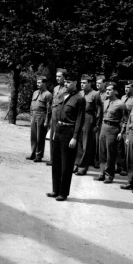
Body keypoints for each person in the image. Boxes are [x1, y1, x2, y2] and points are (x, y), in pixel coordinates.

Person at [46, 71, 85, 201]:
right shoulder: (63, 95)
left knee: (66, 164)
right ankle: (55, 190)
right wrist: (55, 130)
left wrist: (75, 137)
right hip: (59, 129)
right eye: (66, 82)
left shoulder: (79, 99)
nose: (67, 84)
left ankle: (63, 193)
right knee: (56, 162)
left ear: (75, 83)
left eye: (69, 82)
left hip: (69, 131)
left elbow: (79, 120)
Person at [94, 81, 127, 183]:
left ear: (115, 91)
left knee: (110, 153)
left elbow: (125, 120)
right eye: (107, 90)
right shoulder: (105, 102)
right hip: (103, 127)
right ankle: (102, 173)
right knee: (102, 152)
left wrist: (121, 132)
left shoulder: (121, 104)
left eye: (110, 90)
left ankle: (109, 175)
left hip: (113, 128)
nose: (107, 91)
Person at [74, 74, 102, 175]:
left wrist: (97, 125)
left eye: (84, 83)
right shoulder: (79, 93)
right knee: (78, 144)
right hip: (79, 119)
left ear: (90, 83)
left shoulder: (95, 94)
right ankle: (76, 164)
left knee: (86, 145)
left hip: (89, 119)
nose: (82, 85)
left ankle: (83, 167)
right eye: (81, 83)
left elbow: (99, 110)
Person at [26, 76, 52, 162]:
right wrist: (31, 116)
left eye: (40, 82)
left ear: (44, 83)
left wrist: (47, 121)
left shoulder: (48, 94)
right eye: (37, 82)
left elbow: (49, 109)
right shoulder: (35, 92)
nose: (38, 84)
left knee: (40, 137)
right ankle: (33, 153)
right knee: (33, 136)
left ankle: (39, 155)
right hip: (34, 115)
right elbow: (31, 105)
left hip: (42, 115)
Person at [46, 68, 67, 166]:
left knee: (60, 139)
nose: (57, 78)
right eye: (56, 76)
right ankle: (52, 159)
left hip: (61, 116)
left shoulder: (67, 89)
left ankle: (60, 160)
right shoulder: (55, 88)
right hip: (53, 115)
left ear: (64, 77)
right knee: (52, 137)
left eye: (59, 76)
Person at [117, 80, 133, 176]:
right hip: (120, 123)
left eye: (128, 87)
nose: (126, 89)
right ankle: (119, 166)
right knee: (119, 146)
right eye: (125, 87)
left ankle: (126, 168)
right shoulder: (123, 97)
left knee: (127, 148)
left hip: (130, 125)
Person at [93, 75, 108, 169]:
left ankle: (98, 161)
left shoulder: (107, 94)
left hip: (101, 120)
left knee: (99, 141)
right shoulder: (95, 93)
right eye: (97, 83)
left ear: (104, 84)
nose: (97, 85)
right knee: (92, 141)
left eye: (100, 83)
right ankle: (92, 160)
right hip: (93, 119)